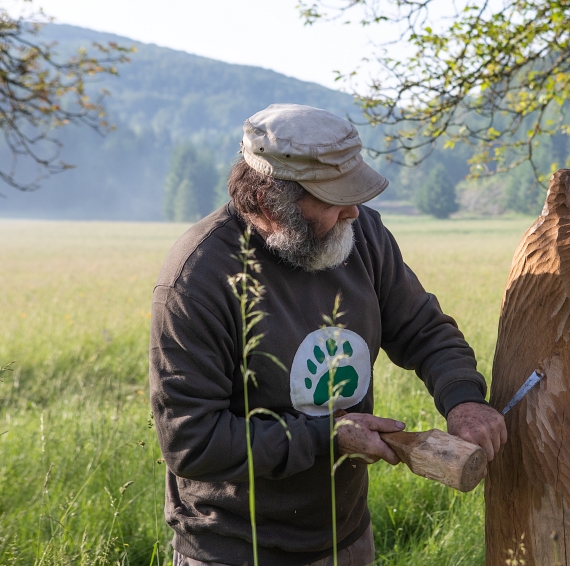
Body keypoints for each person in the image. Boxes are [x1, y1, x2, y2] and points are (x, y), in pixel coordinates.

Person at [149, 104, 507, 566]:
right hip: (235, 549)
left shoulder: (362, 235)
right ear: (266, 201)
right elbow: (191, 441)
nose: (353, 211)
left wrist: (464, 399)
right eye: (333, 198)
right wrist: (329, 436)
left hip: (345, 538)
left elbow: (422, 328)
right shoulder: (198, 279)